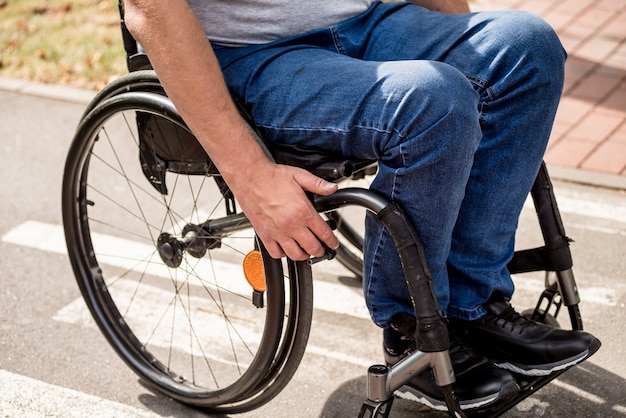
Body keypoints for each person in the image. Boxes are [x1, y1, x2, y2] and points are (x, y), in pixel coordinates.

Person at [121, 0, 601, 412]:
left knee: (527, 46)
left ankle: (472, 308)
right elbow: (150, 8)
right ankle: (412, 330)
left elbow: (498, 69)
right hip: (249, 54)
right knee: (434, 100)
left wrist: (489, 74)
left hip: (367, 20)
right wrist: (250, 175)